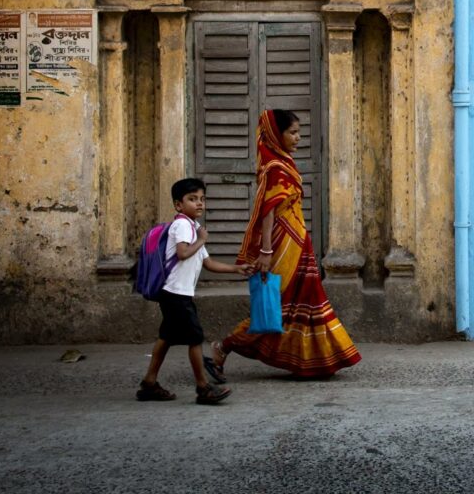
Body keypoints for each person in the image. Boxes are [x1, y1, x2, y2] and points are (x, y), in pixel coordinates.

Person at [206, 109, 361, 380]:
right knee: (280, 303)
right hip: (282, 246)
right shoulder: (275, 167)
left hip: (298, 242)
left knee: (305, 300)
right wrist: (266, 251)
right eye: (292, 132)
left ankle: (310, 360)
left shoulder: (283, 163)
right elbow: (269, 211)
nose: (298, 137)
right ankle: (224, 346)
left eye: (299, 132)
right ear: (277, 135)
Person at [137, 177, 250, 404]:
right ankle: (203, 388)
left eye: (202, 199)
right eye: (192, 199)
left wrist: (236, 269)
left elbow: (207, 263)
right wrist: (201, 239)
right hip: (176, 294)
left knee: (166, 337)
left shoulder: (193, 228)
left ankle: (149, 383)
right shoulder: (182, 225)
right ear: (179, 205)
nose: (199, 203)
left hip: (176, 294)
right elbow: (183, 253)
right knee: (195, 338)